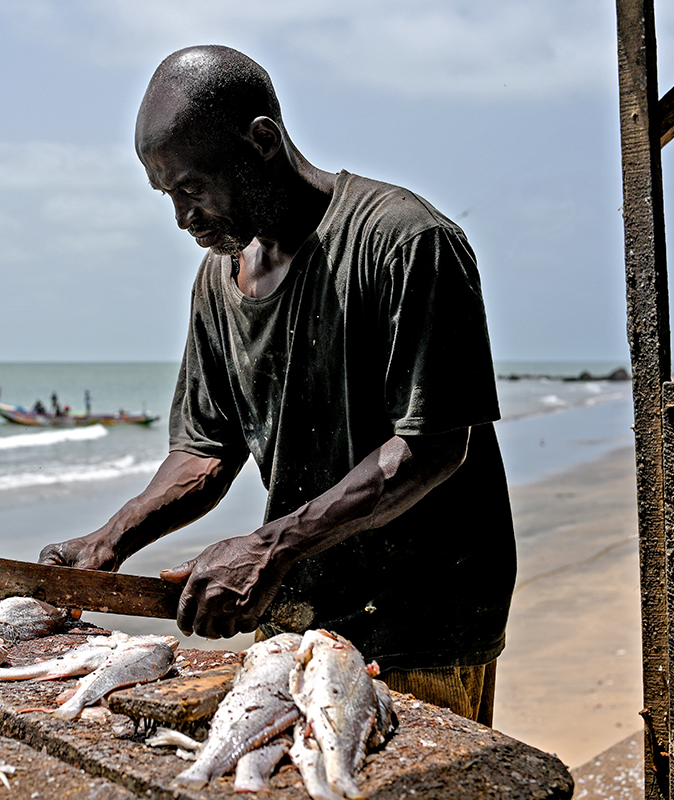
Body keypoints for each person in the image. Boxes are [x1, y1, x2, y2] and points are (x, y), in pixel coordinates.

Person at [38, 45, 515, 725]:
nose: (182, 217)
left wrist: (267, 547)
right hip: (295, 613)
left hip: (422, 625)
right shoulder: (218, 281)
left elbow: (432, 446)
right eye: (167, 195)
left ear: (262, 140)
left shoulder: (406, 243)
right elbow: (206, 448)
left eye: (192, 187)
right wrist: (112, 540)